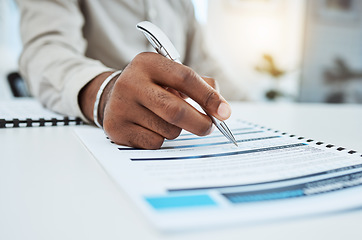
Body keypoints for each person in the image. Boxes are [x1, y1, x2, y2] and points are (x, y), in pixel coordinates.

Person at [16, 0, 244, 149]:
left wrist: (267, 102)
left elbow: (206, 66)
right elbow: (45, 51)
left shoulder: (182, 4)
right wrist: (106, 92)